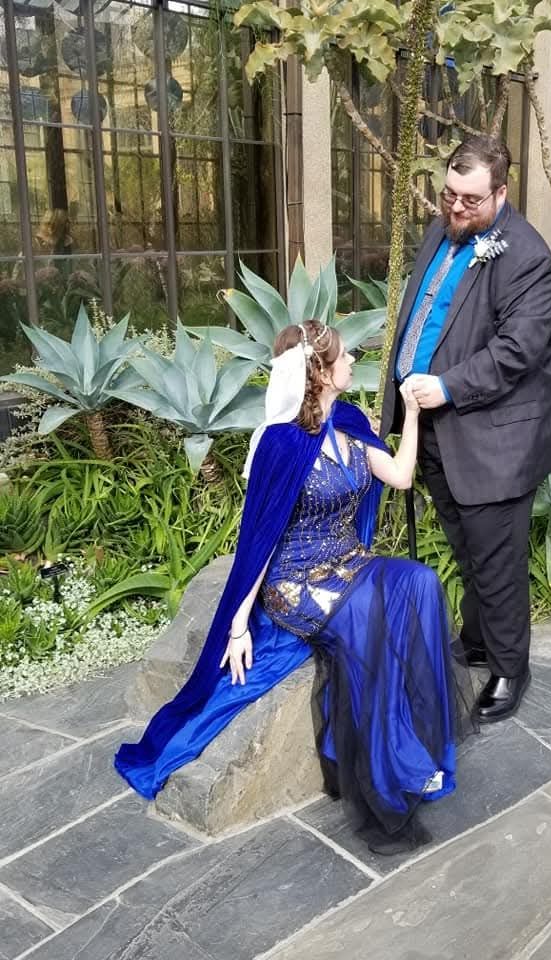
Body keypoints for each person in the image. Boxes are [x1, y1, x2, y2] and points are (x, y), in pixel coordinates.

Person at [116, 320, 473, 855]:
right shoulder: (281, 444)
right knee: (369, 623)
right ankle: (389, 773)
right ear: (319, 372)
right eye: (345, 357)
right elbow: (258, 539)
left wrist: (415, 414)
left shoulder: (350, 421)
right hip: (297, 583)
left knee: (420, 585)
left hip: (349, 562)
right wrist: (238, 624)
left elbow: (399, 475)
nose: (353, 361)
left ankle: (418, 746)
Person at [380, 134, 551, 723]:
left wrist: (449, 386)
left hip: (493, 440)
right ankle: (481, 640)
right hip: (434, 427)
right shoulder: (444, 231)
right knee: (466, 547)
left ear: (502, 193)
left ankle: (511, 668)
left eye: (471, 200)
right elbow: (424, 311)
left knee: (497, 558)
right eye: (449, 194)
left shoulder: (527, 257)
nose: (457, 208)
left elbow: (518, 351)